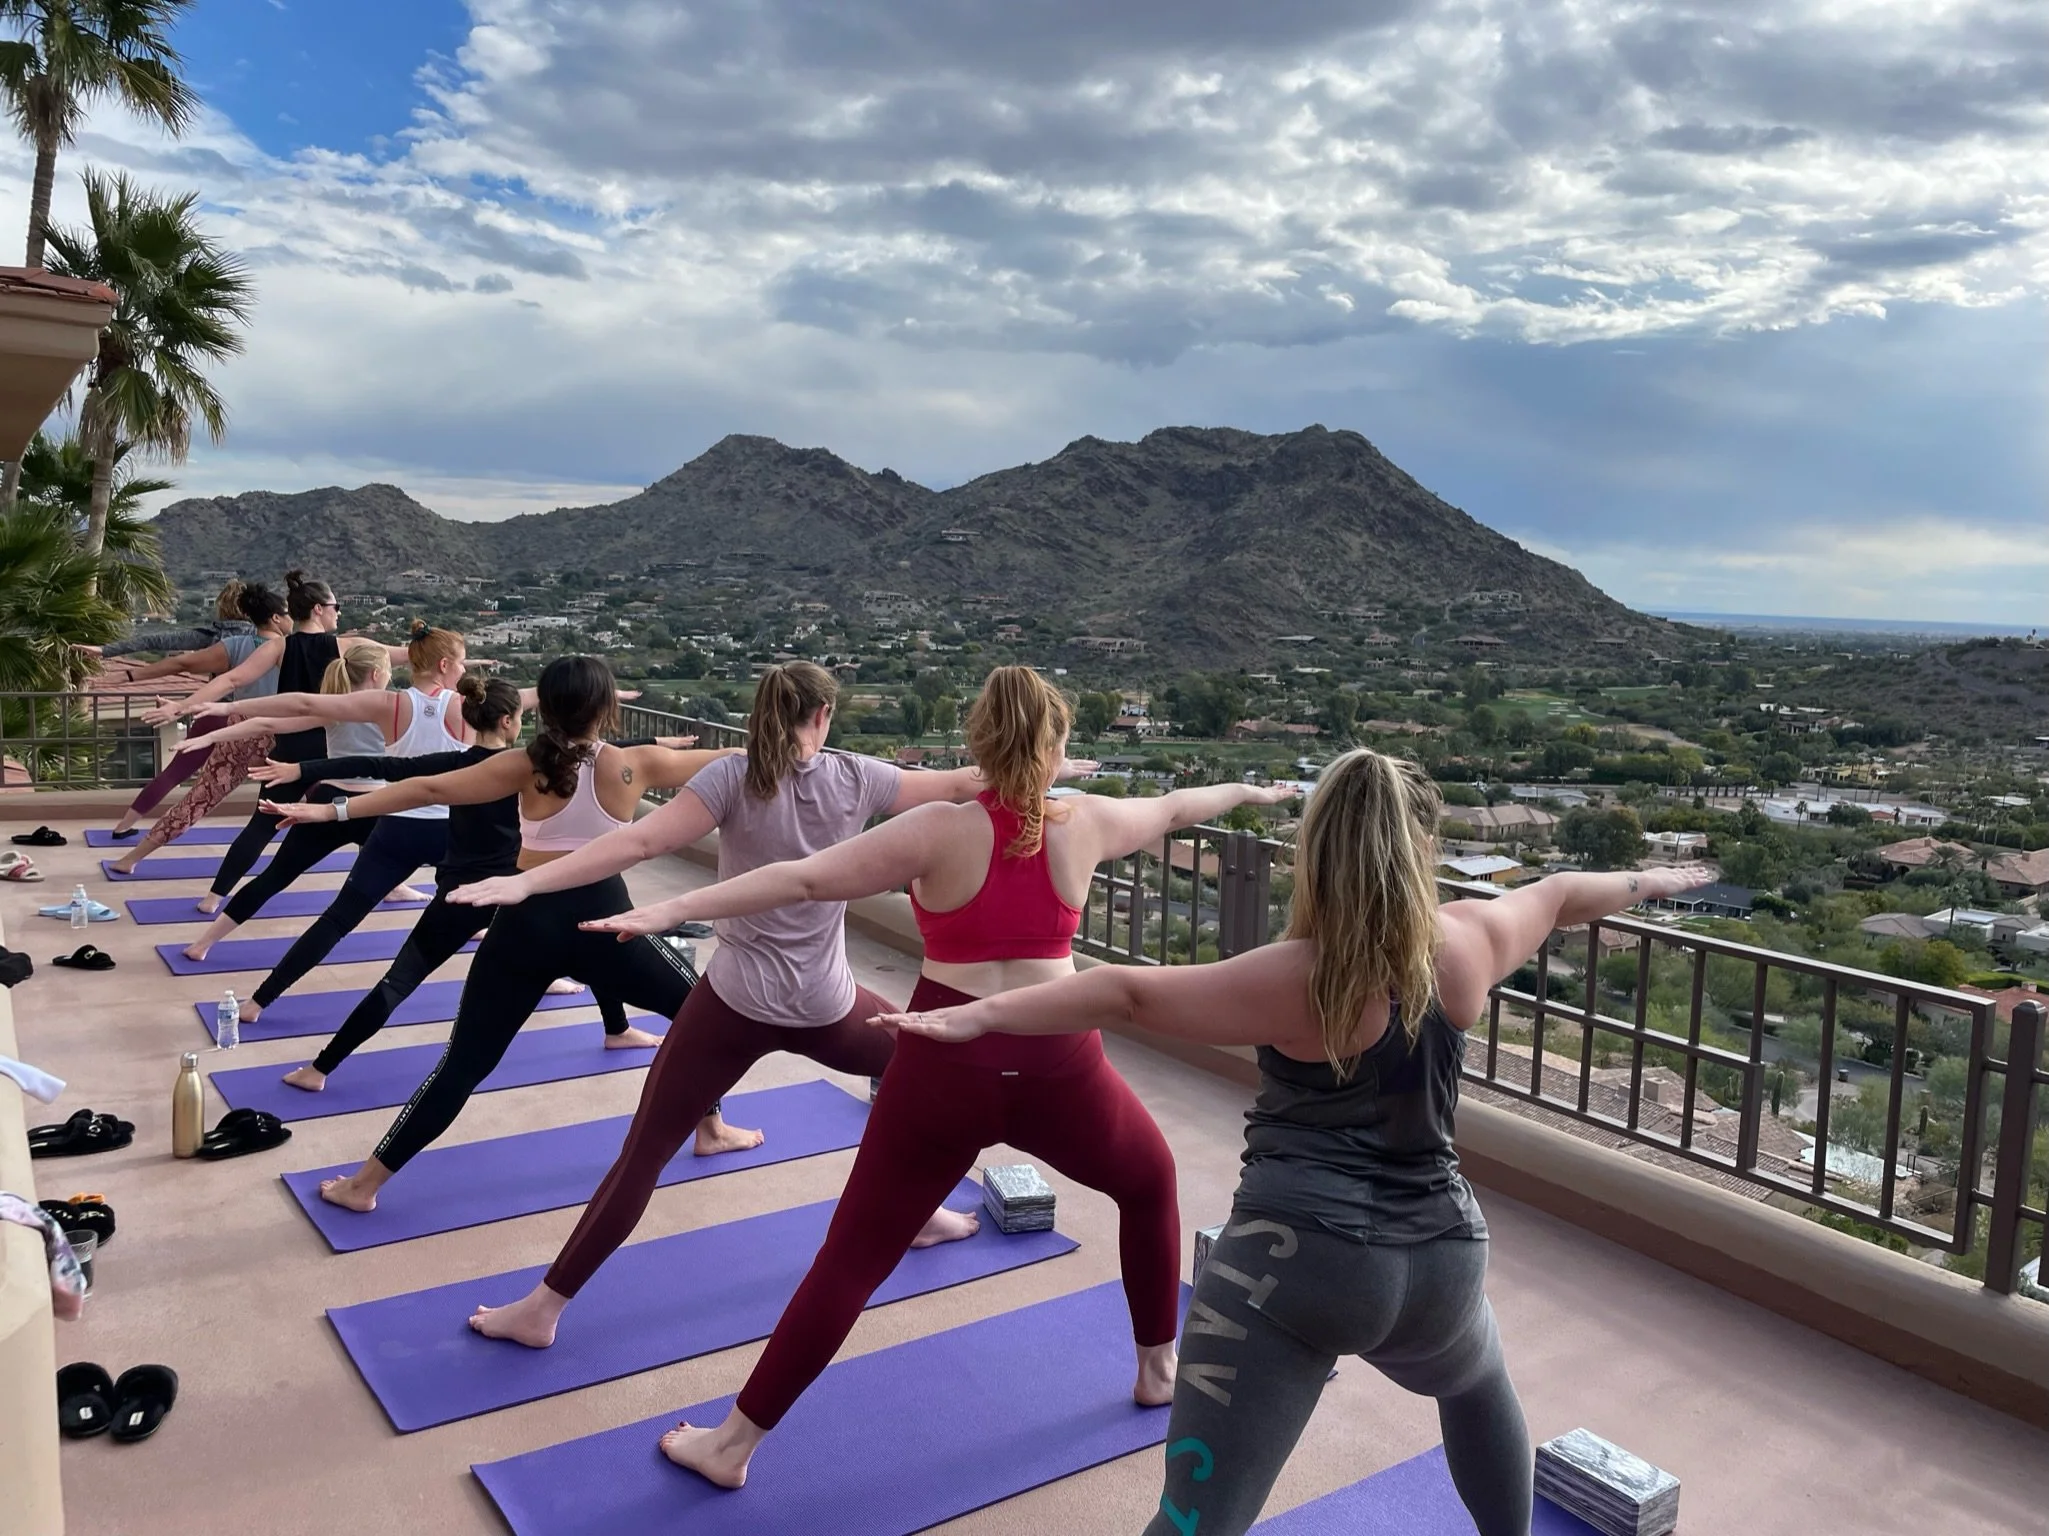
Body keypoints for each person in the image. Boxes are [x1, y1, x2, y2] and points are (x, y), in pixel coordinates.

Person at [880, 750, 1718, 1536]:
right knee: (1473, 1385)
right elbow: (1565, 891)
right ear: (1420, 843)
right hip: (1442, 1256)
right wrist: (1655, 881)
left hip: (1293, 1264)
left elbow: (1124, 994)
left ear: (1315, 850)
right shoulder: (1464, 944)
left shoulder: (1299, 976)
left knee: (1195, 1522)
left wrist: (979, 1012)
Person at [573, 665, 1295, 1489]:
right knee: (1149, 1180)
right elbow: (1177, 808)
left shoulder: (939, 829)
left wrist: (665, 910)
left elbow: (805, 878)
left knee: (850, 1259)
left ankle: (732, 1446)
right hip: (1059, 1063)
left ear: (976, 744)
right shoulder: (1086, 822)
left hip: (942, 1064)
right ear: (1057, 748)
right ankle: (1156, 1369)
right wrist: (1250, 790)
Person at [450, 661, 1096, 1348]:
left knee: (642, 1156)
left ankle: (544, 1309)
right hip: (826, 1006)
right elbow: (971, 784)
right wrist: (1048, 771)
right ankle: (921, 1210)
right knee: (917, 1070)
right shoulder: (858, 775)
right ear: (822, 716)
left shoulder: (730, 777)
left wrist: (527, 885)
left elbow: (637, 842)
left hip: (732, 1007)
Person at [268, 655, 743, 1213]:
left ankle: (364, 1184)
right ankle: (710, 1125)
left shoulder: (523, 765)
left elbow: (426, 789)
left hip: (525, 923)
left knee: (462, 1064)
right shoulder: (636, 765)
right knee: (701, 1014)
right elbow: (734, 758)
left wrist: (332, 813)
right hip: (604, 925)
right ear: (607, 708)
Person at [248, 679, 697, 1093]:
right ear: (509, 721)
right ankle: (615, 1028)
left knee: (398, 983)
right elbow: (599, 751)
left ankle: (320, 1068)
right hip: (518, 894)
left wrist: (311, 780)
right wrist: (658, 747)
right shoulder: (537, 769)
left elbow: (386, 767)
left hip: (463, 896)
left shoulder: (474, 766)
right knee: (598, 937)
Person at [173, 626, 481, 1018]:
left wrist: (220, 714)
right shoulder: (387, 706)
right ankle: (468, 922)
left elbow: (275, 718)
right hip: (374, 807)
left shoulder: (354, 706)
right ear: (376, 674)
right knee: (466, 881)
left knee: (278, 879)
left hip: (330, 801)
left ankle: (206, 944)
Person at [130, 570, 344, 905]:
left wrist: (181, 705)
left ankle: (208, 894)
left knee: (235, 811)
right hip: (322, 743)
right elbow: (407, 659)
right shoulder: (345, 645)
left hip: (274, 736)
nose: (338, 612)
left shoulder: (272, 647)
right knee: (363, 811)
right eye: (335, 606)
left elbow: (224, 678)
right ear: (317, 609)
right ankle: (390, 883)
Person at [101, 582, 292, 872]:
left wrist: (129, 675)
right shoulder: (292, 648)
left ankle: (129, 853)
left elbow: (178, 661)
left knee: (192, 792)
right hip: (279, 731)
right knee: (325, 788)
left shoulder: (230, 644)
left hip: (232, 724)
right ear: (276, 617)